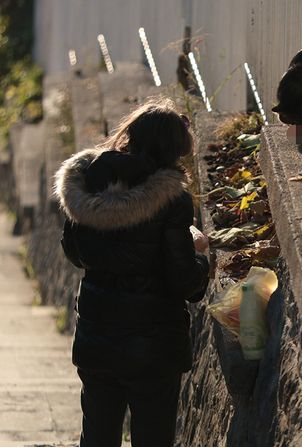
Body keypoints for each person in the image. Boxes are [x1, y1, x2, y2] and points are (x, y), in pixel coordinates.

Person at [54, 98, 210, 446]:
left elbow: (75, 252)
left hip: (97, 338)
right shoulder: (171, 199)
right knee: (153, 436)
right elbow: (185, 281)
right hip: (153, 346)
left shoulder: (89, 183)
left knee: (97, 434)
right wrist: (201, 258)